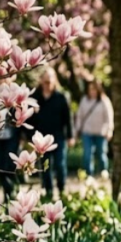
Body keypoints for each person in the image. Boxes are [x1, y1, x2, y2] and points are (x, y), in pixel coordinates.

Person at [30, 69, 73, 199]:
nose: (47, 83)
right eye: (45, 80)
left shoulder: (61, 97)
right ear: (41, 81)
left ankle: (62, 188)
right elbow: (30, 120)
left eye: (50, 80)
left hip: (58, 136)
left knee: (60, 164)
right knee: (45, 166)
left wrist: (70, 136)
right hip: (41, 139)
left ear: (54, 80)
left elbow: (67, 118)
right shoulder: (35, 98)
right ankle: (48, 190)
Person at [75, 80, 113, 177]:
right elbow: (80, 116)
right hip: (87, 132)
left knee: (101, 154)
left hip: (101, 132)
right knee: (87, 154)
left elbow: (109, 117)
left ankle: (103, 173)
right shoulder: (84, 100)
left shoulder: (104, 101)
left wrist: (109, 130)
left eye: (94, 89)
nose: (92, 91)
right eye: (90, 89)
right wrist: (77, 129)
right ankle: (89, 175)